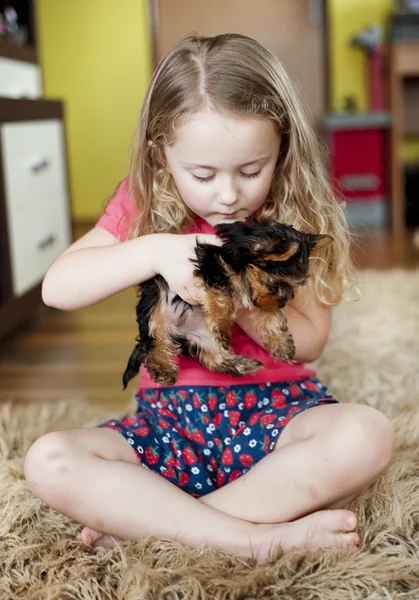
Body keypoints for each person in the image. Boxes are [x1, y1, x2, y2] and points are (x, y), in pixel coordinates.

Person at [23, 34, 395, 564]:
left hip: (276, 417)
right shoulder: (146, 204)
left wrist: (235, 292)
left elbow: (308, 342)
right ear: (162, 155)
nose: (228, 195)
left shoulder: (295, 216)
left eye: (251, 171)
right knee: (49, 461)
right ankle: (251, 538)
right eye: (202, 174)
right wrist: (154, 249)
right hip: (168, 422)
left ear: (281, 151)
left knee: (368, 435)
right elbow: (57, 287)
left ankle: (164, 524)